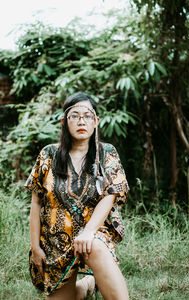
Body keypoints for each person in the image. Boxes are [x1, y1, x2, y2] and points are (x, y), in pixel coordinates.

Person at [25, 92, 130, 300]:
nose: (82, 121)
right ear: (65, 122)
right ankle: (87, 285)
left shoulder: (106, 152)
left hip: (95, 234)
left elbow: (111, 195)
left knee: (95, 247)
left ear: (96, 121)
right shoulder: (48, 154)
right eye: (75, 115)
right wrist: (35, 248)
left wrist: (88, 232)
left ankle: (95, 271)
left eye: (88, 115)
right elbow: (36, 203)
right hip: (55, 242)